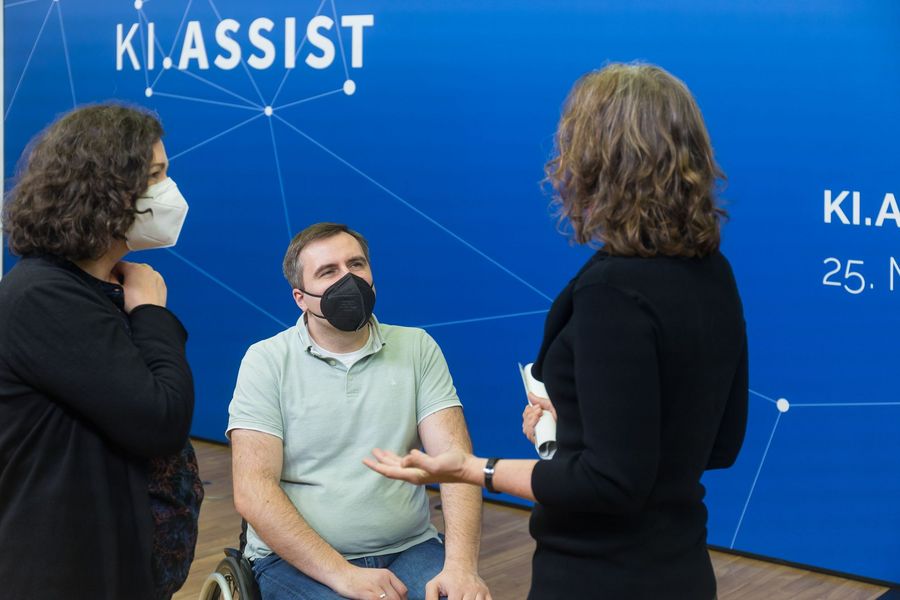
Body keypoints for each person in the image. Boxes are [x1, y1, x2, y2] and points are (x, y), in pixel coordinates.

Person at [365, 63, 748, 600]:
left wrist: (476, 469)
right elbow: (720, 444)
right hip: (682, 571)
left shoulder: (612, 293)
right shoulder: (712, 273)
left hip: (598, 578)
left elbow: (608, 484)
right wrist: (581, 423)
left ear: (597, 160)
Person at [0, 104, 202, 600]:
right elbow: (160, 418)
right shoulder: (44, 296)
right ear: (104, 188)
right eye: (154, 176)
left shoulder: (98, 288)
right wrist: (152, 313)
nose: (168, 192)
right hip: (67, 569)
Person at [228, 223, 491, 600]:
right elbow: (254, 491)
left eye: (356, 264)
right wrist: (342, 574)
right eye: (328, 271)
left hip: (410, 548)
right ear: (301, 298)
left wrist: (461, 567)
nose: (348, 279)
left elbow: (456, 465)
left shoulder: (417, 347)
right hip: (295, 560)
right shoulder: (266, 360)